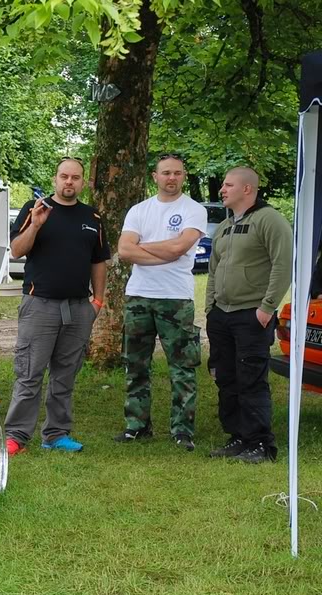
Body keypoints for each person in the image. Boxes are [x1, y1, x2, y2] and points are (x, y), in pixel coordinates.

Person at [4, 158, 110, 455]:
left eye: (75, 177)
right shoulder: (34, 209)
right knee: (29, 374)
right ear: (55, 179)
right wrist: (36, 225)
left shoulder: (93, 217)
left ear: (83, 182)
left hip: (78, 308)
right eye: (64, 176)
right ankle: (16, 436)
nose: (69, 182)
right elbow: (16, 250)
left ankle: (56, 434)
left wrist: (97, 301)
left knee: (65, 374)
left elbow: (98, 261)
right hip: (40, 305)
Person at [114, 154, 208, 451]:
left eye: (177, 173)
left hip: (176, 298)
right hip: (140, 295)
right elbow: (125, 251)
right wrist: (163, 250)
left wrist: (143, 246)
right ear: (154, 176)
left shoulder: (194, 210)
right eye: (165, 172)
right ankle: (137, 426)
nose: (171, 178)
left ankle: (182, 430)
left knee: (182, 367)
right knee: (135, 364)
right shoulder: (139, 210)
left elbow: (180, 248)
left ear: (184, 176)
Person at [205, 166, 292, 464]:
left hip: (252, 316)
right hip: (222, 315)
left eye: (228, 185)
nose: (222, 190)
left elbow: (283, 266)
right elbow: (214, 269)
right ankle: (238, 437)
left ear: (247, 189)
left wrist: (267, 308)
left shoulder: (270, 220)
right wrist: (210, 308)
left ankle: (261, 444)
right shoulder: (226, 226)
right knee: (226, 378)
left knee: (251, 378)